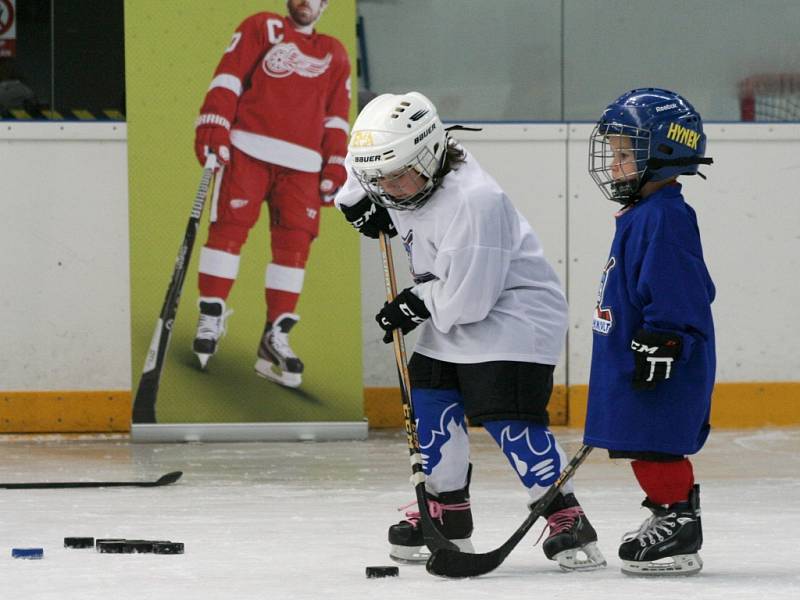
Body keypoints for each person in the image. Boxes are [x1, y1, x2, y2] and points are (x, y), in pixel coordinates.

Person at [335, 91, 606, 571]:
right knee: (430, 396)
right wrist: (355, 198)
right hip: (453, 304)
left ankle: (566, 516)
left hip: (513, 315)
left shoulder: (475, 201)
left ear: (432, 152)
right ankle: (447, 509)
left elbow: (471, 299)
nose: (392, 189)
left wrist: (412, 305)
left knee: (506, 414)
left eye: (398, 177)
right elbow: (360, 164)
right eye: (382, 181)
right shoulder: (398, 162)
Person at [585, 88, 716, 576]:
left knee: (656, 443)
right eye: (615, 153)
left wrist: (664, 337)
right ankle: (668, 514)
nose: (614, 164)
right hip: (638, 353)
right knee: (639, 441)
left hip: (664, 356)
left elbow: (680, 287)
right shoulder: (643, 213)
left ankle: (681, 524)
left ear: (663, 153)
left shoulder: (666, 217)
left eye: (625, 154)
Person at [191, 0, 351, 388]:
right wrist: (213, 124)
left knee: (295, 247)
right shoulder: (261, 27)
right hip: (248, 147)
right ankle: (210, 318)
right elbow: (228, 76)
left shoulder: (334, 52)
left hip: (304, 164)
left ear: (324, 5)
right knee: (228, 232)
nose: (305, 2)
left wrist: (335, 162)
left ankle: (275, 336)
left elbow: (336, 114)